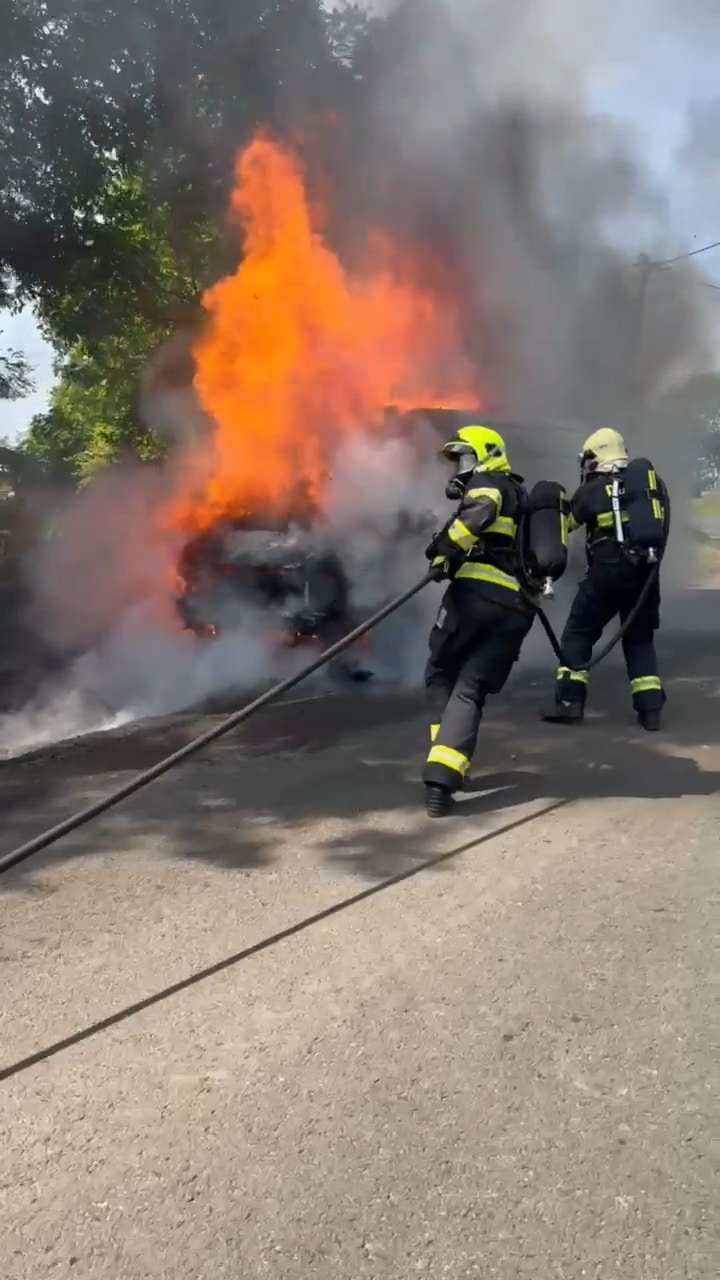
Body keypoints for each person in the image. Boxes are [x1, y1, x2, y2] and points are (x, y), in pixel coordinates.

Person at [421, 424, 537, 818]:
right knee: (469, 689)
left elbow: (477, 514)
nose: (460, 467)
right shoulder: (523, 497)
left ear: (486, 454)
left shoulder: (490, 483)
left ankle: (442, 763)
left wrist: (443, 547)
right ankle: (447, 770)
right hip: (518, 610)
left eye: (464, 457)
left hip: (475, 599)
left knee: (439, 671)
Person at [542, 427, 669, 731]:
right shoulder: (649, 486)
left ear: (595, 456)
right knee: (639, 639)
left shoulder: (592, 490)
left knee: (579, 633)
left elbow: (567, 523)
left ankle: (570, 702)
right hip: (646, 573)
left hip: (607, 573)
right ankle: (650, 709)